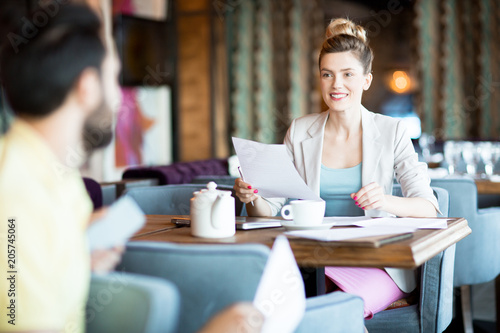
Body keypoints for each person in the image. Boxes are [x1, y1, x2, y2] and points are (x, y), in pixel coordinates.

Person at [0, 3, 262, 333]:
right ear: (88, 87)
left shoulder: (56, 179)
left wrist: (79, 263)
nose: (117, 98)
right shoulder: (17, 197)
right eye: (114, 77)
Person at [234, 18, 440, 319]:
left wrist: (385, 200)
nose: (336, 85)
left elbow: (429, 208)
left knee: (324, 307)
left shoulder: (392, 131)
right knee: (283, 303)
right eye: (327, 74)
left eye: (347, 74)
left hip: (376, 263)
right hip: (312, 260)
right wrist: (252, 197)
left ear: (366, 80)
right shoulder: (300, 130)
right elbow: (271, 210)